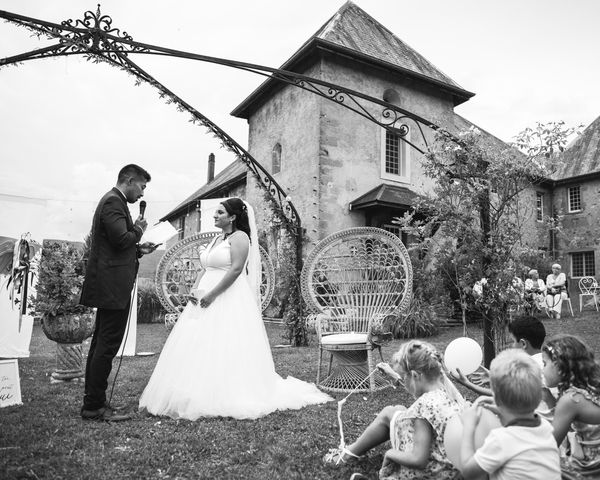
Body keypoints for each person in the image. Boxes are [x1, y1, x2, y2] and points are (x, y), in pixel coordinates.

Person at [138, 198, 332, 420]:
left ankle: (227, 390)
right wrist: (195, 289)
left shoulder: (240, 238)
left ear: (232, 217)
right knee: (201, 340)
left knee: (226, 339)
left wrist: (212, 295)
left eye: (219, 212)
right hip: (204, 295)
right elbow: (207, 266)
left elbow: (236, 269)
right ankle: (197, 386)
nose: (214, 216)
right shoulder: (217, 238)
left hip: (227, 294)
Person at [323, 340, 471, 479]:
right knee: (397, 410)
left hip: (435, 473)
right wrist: (394, 375)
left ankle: (346, 455)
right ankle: (348, 452)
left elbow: (418, 459)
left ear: (414, 375)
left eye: (404, 377)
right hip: (454, 471)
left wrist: (390, 454)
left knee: (391, 412)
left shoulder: (423, 406)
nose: (404, 382)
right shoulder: (447, 395)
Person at [80, 164, 157, 422]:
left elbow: (119, 246)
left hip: (110, 284)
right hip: (112, 287)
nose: (143, 193)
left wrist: (138, 249)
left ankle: (95, 402)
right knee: (107, 344)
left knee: (101, 343)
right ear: (129, 180)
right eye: (142, 186)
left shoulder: (114, 201)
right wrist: (138, 230)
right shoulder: (114, 202)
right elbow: (121, 239)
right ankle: (94, 405)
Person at [459, 349, 561, 480]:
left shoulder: (501, 439)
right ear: (538, 398)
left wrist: (469, 426)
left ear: (497, 398)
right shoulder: (546, 428)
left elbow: (468, 472)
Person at [541, 334, 600, 478]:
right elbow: (569, 423)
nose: (542, 369)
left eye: (544, 364)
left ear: (559, 366)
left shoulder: (570, 400)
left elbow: (549, 444)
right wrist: (548, 398)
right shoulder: (592, 387)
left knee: (535, 463)